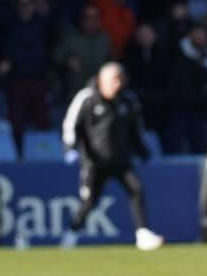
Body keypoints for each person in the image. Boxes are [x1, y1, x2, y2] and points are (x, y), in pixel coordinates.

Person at [60, 62, 164, 251]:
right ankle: (71, 235)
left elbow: (136, 129)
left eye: (120, 80)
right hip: (94, 162)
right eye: (114, 80)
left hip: (121, 160)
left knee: (136, 190)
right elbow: (70, 124)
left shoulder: (128, 100)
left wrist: (144, 151)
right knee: (90, 201)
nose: (118, 85)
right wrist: (70, 148)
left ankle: (142, 234)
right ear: (102, 80)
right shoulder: (87, 98)